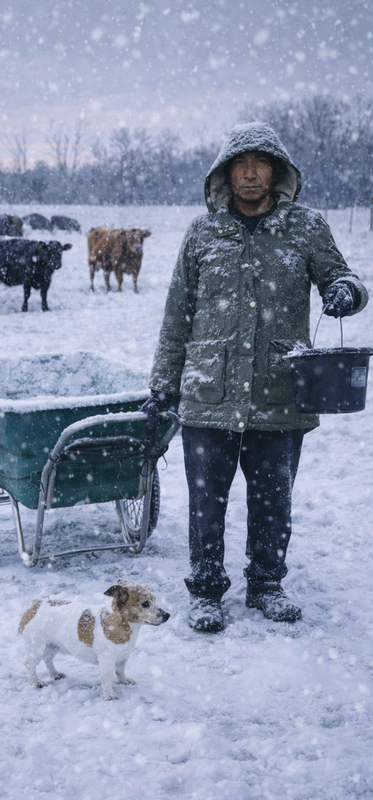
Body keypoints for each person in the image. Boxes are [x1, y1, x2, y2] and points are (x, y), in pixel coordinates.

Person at [144, 122, 368, 633]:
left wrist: (346, 294)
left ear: (276, 171)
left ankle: (266, 584)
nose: (249, 173)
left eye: (259, 163)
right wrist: (163, 384)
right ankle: (205, 591)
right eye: (239, 165)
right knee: (206, 501)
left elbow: (345, 277)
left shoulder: (306, 228)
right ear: (225, 174)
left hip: (280, 392)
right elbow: (177, 313)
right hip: (208, 392)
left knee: (273, 499)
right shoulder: (203, 233)